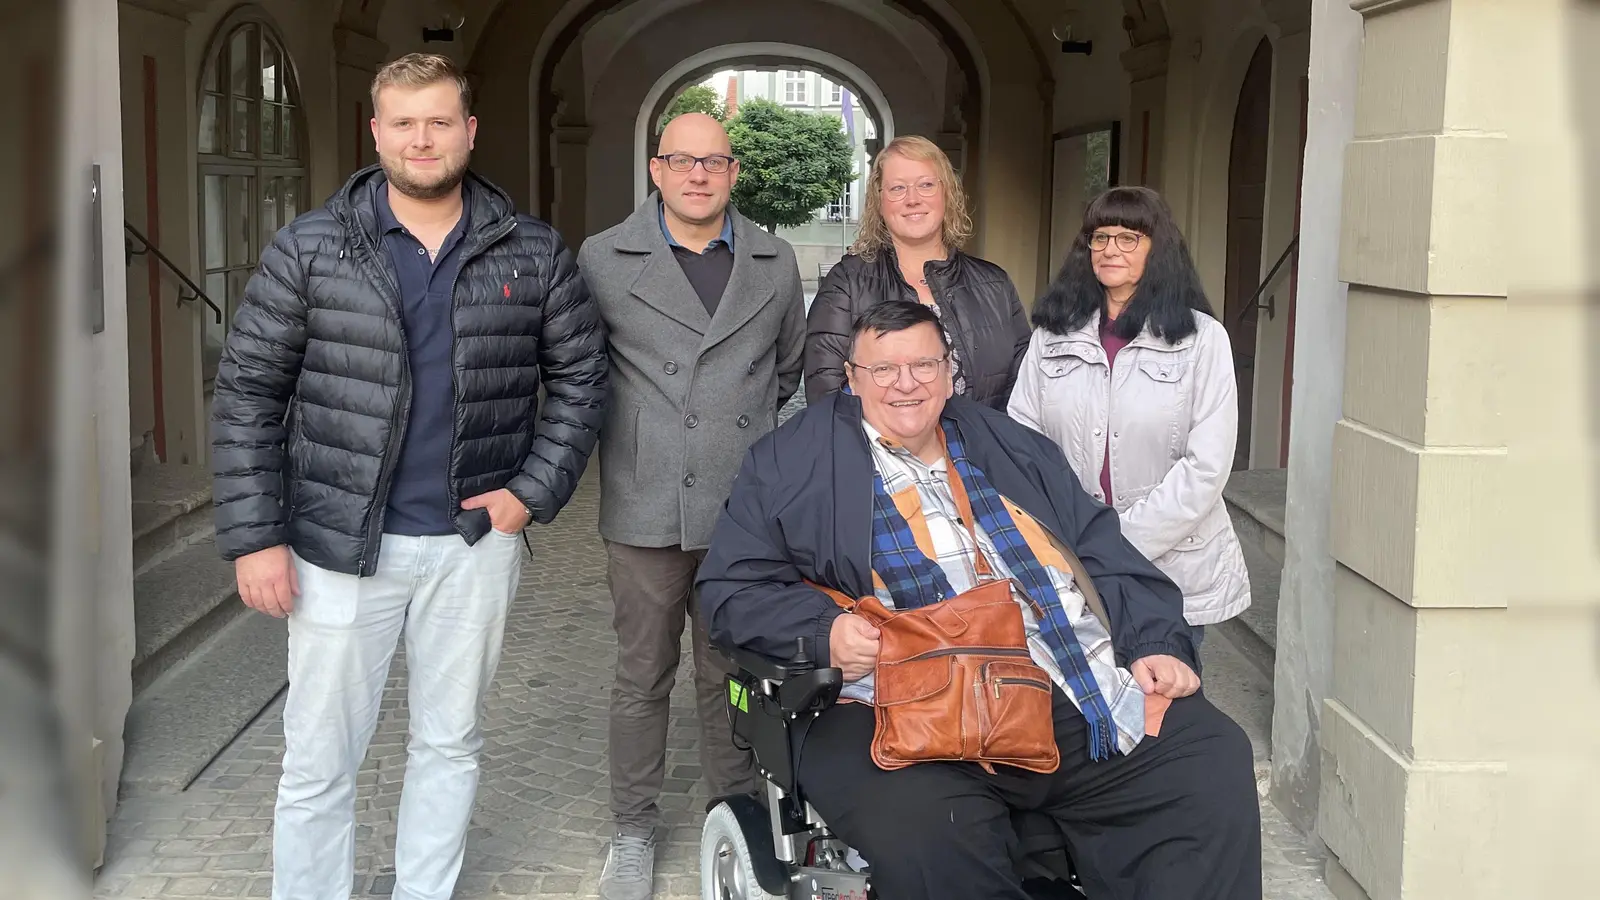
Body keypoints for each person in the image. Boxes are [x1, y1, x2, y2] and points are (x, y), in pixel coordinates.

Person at [697, 301, 1261, 900]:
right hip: (897, 710)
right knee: (934, 833)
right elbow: (729, 590)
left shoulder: (1008, 443)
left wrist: (1154, 639)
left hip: (1059, 685)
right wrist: (823, 632)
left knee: (1209, 757)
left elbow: (1100, 545)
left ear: (949, 372)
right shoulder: (790, 462)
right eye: (884, 369)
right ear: (853, 378)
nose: (906, 384)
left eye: (923, 364)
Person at [209, 53, 607, 900]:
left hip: (471, 545)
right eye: (403, 122)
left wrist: (531, 492)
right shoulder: (313, 246)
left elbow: (582, 379)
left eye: (438, 122)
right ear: (376, 131)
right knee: (319, 759)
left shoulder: (530, 250)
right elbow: (247, 391)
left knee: (450, 742)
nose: (420, 139)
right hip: (336, 545)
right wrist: (256, 536)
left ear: (468, 130)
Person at [576, 111, 805, 900]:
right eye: (683, 160)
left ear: (733, 173)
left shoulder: (774, 262)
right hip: (645, 507)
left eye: (714, 162)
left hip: (743, 513)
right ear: (656, 169)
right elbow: (582, 373)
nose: (698, 174)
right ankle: (632, 830)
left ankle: (732, 815)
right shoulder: (605, 258)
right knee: (642, 674)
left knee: (730, 674)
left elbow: (787, 372)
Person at [1008, 186, 1250, 638]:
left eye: (1128, 238)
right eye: (1100, 238)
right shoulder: (1052, 335)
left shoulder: (1203, 340)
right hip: (1069, 558)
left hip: (1169, 566)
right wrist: (1069, 532)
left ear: (1157, 249)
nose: (1109, 250)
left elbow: (1206, 467)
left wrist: (1117, 542)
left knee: (1165, 697)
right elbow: (1024, 443)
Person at [804, 135, 1030, 410]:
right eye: (898, 188)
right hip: (877, 452)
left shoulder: (995, 284)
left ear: (947, 193)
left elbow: (1025, 391)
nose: (912, 199)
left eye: (926, 185)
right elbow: (827, 392)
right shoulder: (847, 284)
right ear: (880, 201)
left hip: (984, 450)